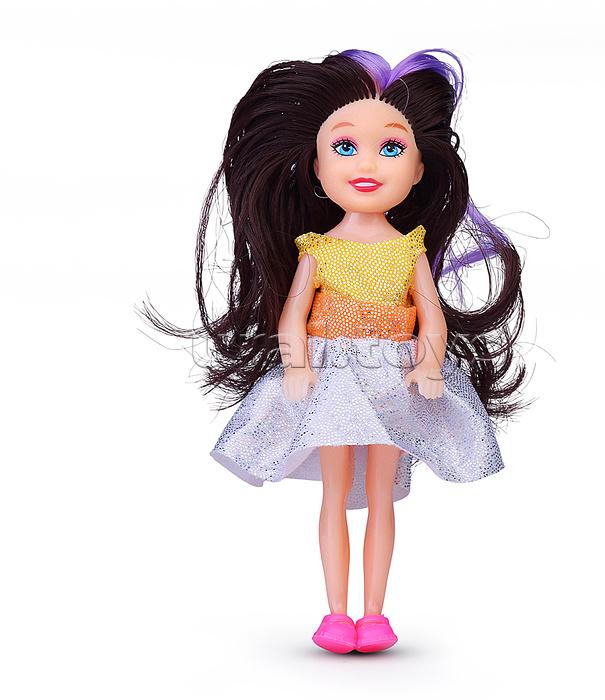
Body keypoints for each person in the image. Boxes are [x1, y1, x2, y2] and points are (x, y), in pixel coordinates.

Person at [144, 49, 527, 653]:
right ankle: (335, 614)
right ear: (317, 168)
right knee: (333, 495)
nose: (367, 164)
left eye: (391, 148)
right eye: (345, 147)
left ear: (420, 169)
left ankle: (374, 615)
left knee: (381, 496)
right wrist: (296, 362)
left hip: (392, 376)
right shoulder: (318, 248)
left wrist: (430, 361)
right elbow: (294, 314)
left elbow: (431, 314)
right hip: (331, 376)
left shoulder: (409, 248)